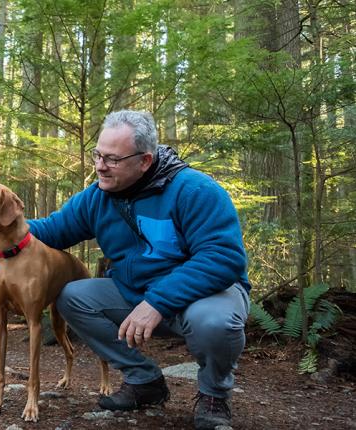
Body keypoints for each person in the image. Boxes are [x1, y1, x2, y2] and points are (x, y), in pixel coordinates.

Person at [27, 110, 251, 430]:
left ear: (144, 161)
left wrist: (158, 302)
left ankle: (213, 394)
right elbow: (52, 230)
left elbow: (223, 258)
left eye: (112, 159)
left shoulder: (195, 190)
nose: (100, 166)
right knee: (73, 296)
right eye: (98, 155)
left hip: (204, 295)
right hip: (136, 292)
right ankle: (144, 380)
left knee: (215, 322)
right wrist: (2, 220)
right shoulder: (98, 196)